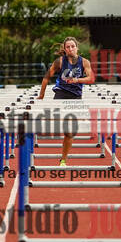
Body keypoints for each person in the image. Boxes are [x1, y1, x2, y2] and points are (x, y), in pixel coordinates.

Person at [37, 37, 95, 166]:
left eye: (72, 46)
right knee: (55, 124)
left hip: (75, 97)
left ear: (77, 48)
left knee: (69, 133)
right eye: (68, 47)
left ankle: (63, 160)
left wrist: (77, 80)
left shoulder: (84, 62)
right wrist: (41, 95)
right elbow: (46, 77)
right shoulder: (59, 61)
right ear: (65, 49)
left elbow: (90, 78)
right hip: (61, 94)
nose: (70, 49)